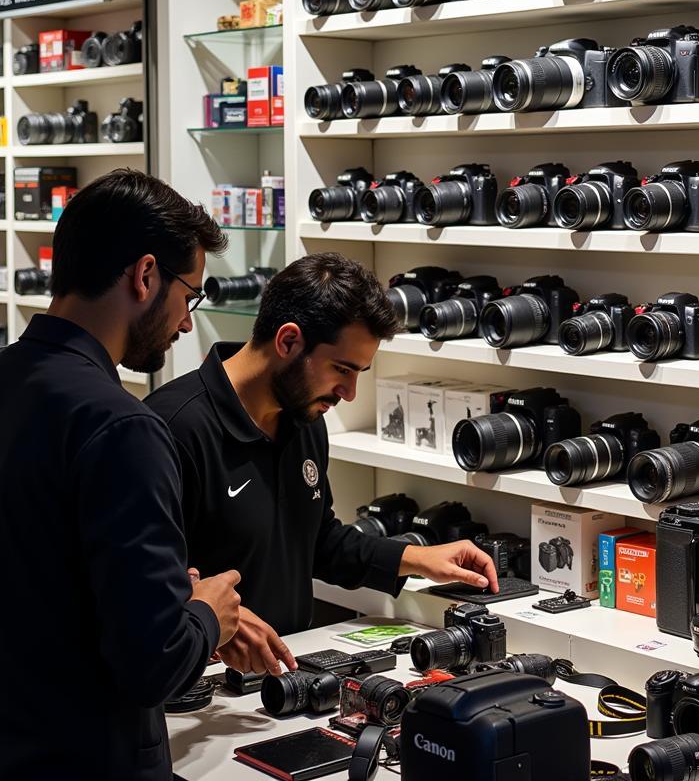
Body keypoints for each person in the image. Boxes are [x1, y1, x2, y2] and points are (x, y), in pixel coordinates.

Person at [145, 252, 498, 677]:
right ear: (288, 341)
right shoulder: (168, 427)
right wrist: (207, 615)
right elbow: (137, 588)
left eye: (359, 373)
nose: (348, 392)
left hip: (288, 676)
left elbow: (317, 541)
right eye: (342, 369)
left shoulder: (305, 417)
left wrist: (417, 558)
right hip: (197, 691)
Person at [0, 169, 242, 781]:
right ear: (145, 276)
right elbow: (151, 664)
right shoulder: (123, 429)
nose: (187, 323)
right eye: (190, 295)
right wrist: (207, 613)